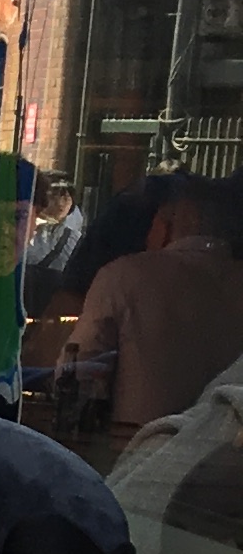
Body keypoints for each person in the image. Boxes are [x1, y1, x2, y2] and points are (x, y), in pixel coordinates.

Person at [62, 178, 243, 439]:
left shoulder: (124, 275)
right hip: (223, 461)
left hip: (135, 451)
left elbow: (77, 372)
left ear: (184, 216)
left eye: (155, 219)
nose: (147, 234)